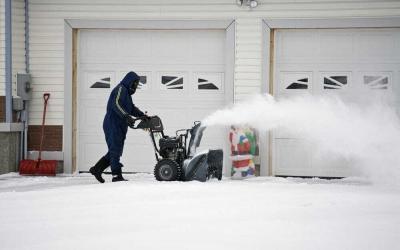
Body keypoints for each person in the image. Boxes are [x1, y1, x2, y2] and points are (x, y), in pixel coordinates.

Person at [90, 71, 149, 183]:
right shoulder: (120, 89)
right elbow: (116, 104)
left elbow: (131, 108)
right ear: (130, 81)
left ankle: (97, 169)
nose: (136, 86)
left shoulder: (126, 93)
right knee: (115, 150)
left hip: (121, 125)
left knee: (115, 150)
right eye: (135, 83)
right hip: (113, 123)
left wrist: (142, 115)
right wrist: (126, 116)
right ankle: (116, 175)